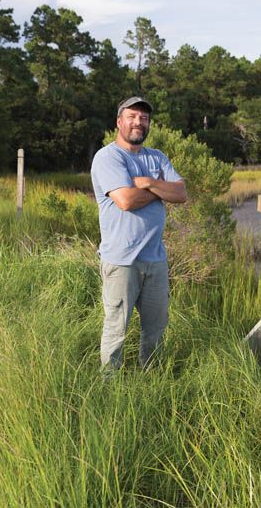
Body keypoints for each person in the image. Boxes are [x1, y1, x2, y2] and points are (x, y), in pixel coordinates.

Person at [90, 96, 187, 370]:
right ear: (119, 122)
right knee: (116, 329)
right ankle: (109, 386)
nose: (138, 122)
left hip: (155, 258)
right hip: (121, 260)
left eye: (143, 118)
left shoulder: (157, 157)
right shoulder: (108, 157)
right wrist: (159, 191)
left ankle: (151, 379)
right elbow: (125, 201)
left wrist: (147, 183)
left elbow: (180, 193)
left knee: (155, 330)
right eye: (132, 116)